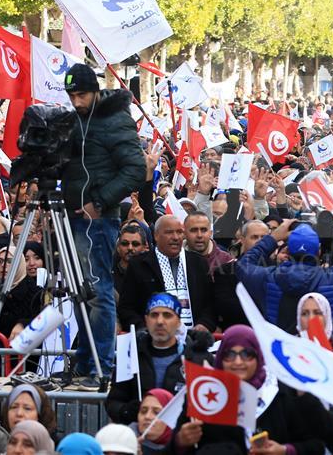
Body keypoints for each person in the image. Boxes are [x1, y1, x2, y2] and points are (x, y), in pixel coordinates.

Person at [61, 62, 147, 388]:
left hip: (97, 221)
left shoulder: (114, 119)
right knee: (80, 293)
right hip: (73, 216)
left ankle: (100, 365)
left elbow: (135, 170)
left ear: (96, 92)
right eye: (72, 96)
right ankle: (84, 363)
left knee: (98, 293)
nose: (76, 102)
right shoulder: (77, 120)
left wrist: (98, 202)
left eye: (81, 95)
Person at [175, 325, 322, 453]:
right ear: (220, 358)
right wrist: (180, 442)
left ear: (258, 356)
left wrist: (285, 451)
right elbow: (174, 448)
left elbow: (316, 446)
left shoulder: (282, 393)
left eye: (247, 354)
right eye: (229, 355)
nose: (238, 362)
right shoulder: (203, 394)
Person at [237, 221, 333, 333]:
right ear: (318, 251)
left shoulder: (270, 277)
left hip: (280, 351)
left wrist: (273, 238)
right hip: (323, 351)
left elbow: (243, 265)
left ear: (287, 250)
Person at [117, 215, 216, 333]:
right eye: (169, 232)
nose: (175, 237)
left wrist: (204, 324)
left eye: (179, 232)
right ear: (156, 236)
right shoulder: (138, 265)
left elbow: (211, 303)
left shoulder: (198, 263)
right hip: (151, 342)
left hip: (194, 341)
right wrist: (146, 330)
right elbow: (126, 308)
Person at [107, 294, 186, 424]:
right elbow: (113, 402)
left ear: (178, 322)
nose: (160, 321)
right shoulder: (130, 354)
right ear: (146, 320)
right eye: (154, 315)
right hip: (137, 434)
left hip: (178, 437)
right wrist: (127, 411)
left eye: (167, 315)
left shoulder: (192, 358)